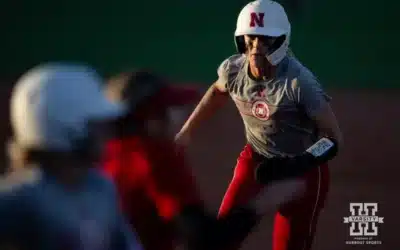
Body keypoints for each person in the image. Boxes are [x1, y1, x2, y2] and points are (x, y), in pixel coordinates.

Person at [175, 1, 343, 250]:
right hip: (256, 161)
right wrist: (186, 132)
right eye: (250, 39)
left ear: (280, 42)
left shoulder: (299, 83)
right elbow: (218, 92)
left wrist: (300, 163)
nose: (255, 48)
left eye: (264, 40)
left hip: (303, 172)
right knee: (220, 238)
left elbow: (333, 137)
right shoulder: (233, 70)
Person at [101, 69, 259, 250]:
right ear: (151, 118)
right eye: (170, 107)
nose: (182, 114)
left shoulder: (105, 153)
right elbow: (203, 238)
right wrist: (264, 202)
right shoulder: (154, 155)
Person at [0, 63, 143, 250]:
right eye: (96, 126)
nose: (107, 135)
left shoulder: (100, 188)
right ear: (67, 128)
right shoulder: (17, 201)